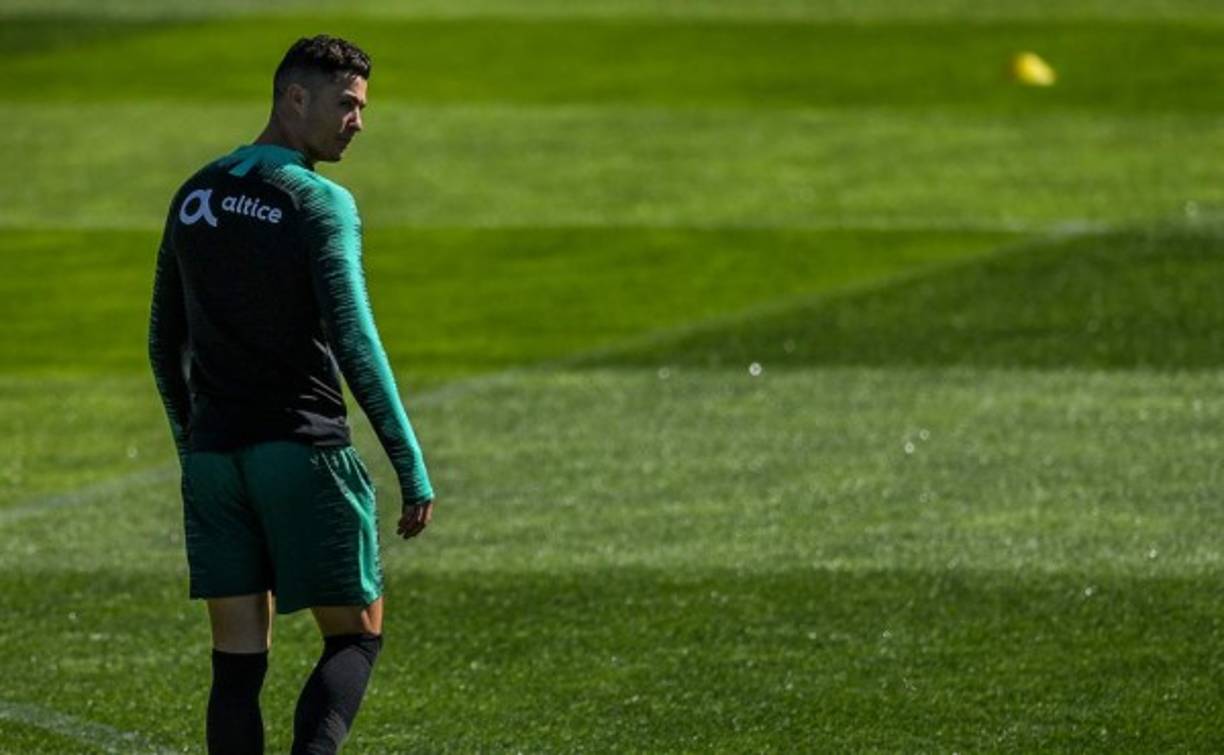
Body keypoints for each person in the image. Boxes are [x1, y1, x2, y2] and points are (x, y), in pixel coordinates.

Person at [148, 34, 434, 754]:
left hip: (216, 463)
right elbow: (356, 343)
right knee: (356, 636)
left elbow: (162, 344)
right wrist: (410, 465)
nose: (358, 122)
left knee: (236, 668)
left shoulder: (195, 193)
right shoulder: (317, 200)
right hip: (302, 454)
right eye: (346, 104)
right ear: (295, 98)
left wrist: (194, 447)